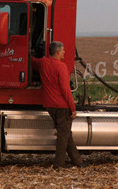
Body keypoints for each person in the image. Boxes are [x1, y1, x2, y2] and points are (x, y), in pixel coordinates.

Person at [32, 41, 83, 169]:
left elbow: (31, 60)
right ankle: (59, 164)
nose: (65, 52)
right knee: (63, 136)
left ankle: (78, 162)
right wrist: (73, 109)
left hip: (50, 106)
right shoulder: (61, 67)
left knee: (65, 133)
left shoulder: (42, 63)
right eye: (63, 50)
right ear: (58, 51)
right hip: (62, 106)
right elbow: (66, 90)